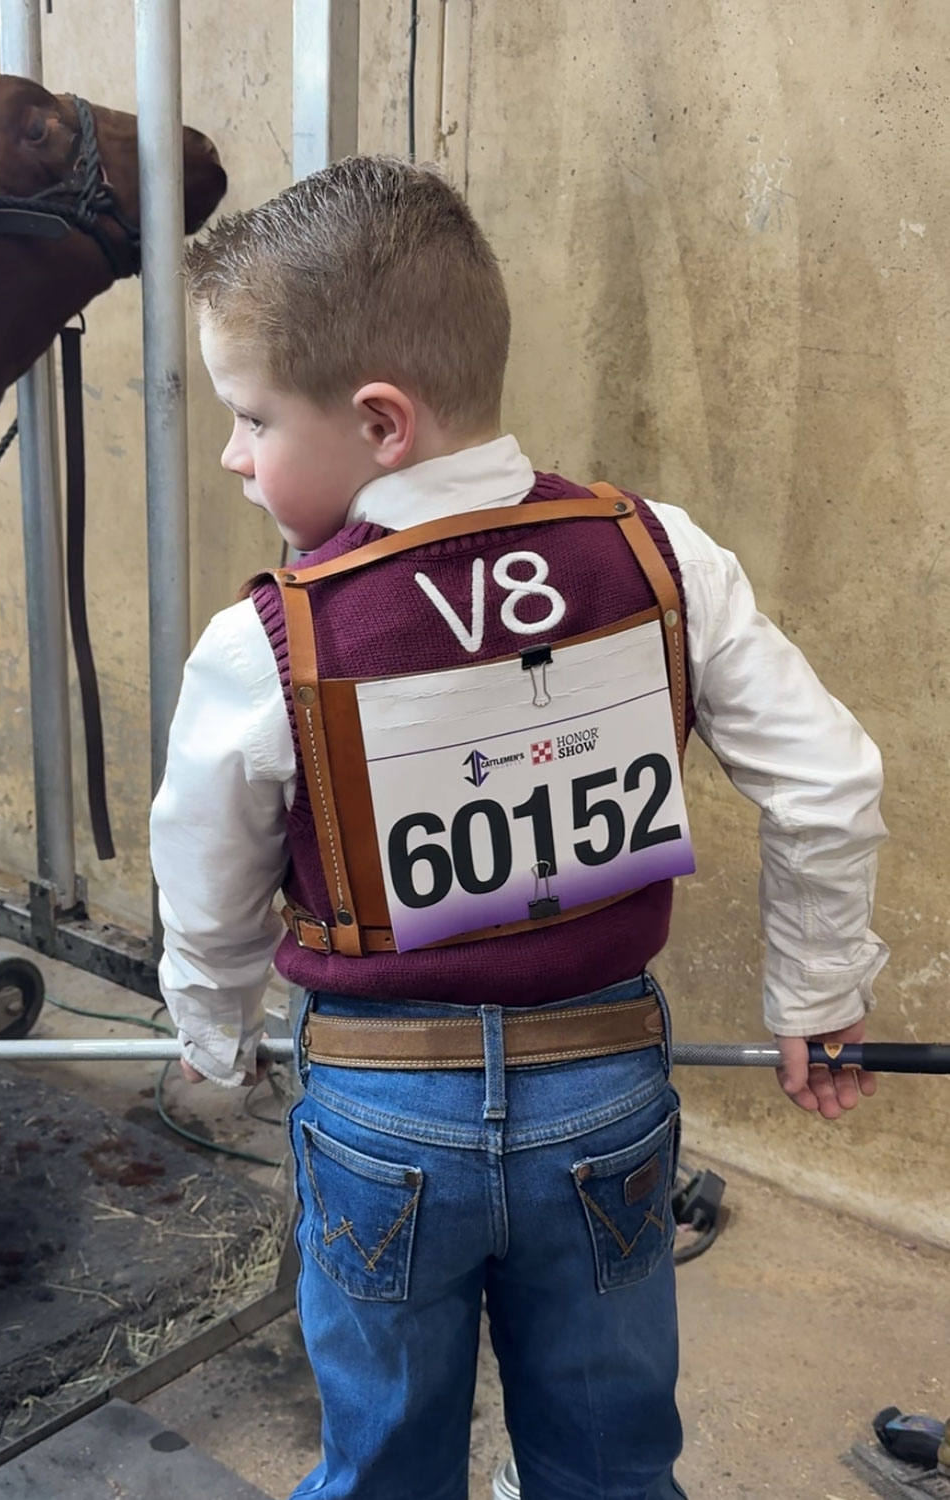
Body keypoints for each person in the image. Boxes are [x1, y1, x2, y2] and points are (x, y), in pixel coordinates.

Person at [149, 155, 887, 1500]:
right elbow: (829, 781)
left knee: (381, 1462)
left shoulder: (264, 642)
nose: (233, 454)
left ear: (380, 421)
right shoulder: (661, 554)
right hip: (603, 1107)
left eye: (251, 417)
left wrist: (209, 1030)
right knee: (609, 1463)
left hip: (380, 1121)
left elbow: (207, 885)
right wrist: (816, 991)